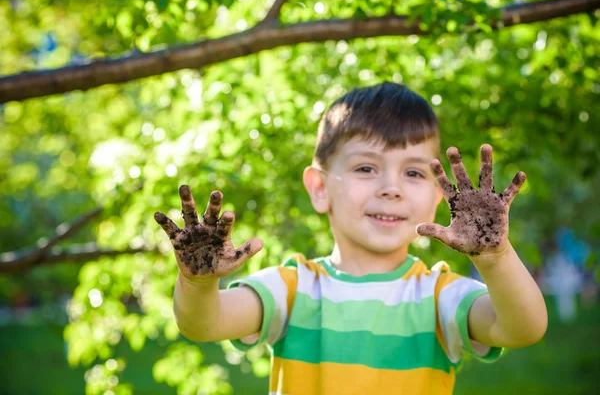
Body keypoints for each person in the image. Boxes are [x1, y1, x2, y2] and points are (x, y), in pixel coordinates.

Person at [153, 82, 548, 394]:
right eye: (365, 168)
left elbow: (524, 327)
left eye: (413, 173)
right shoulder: (292, 289)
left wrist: (495, 256)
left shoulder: (438, 296)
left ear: (436, 196)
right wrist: (198, 281)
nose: (391, 188)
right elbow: (203, 325)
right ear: (320, 188)